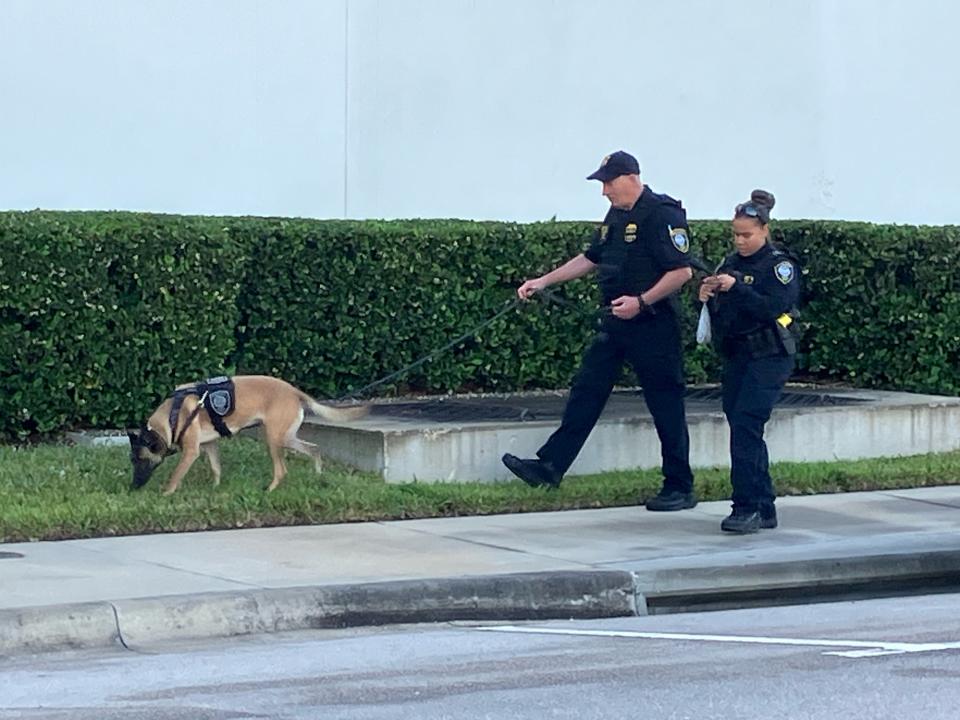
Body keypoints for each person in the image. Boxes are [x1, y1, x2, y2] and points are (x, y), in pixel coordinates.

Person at [502, 150, 697, 512]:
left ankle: (679, 486)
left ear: (631, 178)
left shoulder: (662, 214)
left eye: (608, 182)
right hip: (615, 322)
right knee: (586, 391)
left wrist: (641, 301)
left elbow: (681, 272)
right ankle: (549, 467)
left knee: (664, 403)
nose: (605, 191)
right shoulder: (617, 215)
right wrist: (543, 281)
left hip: (653, 324)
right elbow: (592, 257)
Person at [699, 189, 800, 533]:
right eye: (736, 234)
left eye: (747, 235)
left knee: (746, 425)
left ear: (765, 231)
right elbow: (724, 315)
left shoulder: (778, 265)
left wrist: (737, 287)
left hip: (769, 355)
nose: (740, 241)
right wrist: (709, 296)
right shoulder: (728, 264)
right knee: (744, 428)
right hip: (738, 356)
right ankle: (764, 504)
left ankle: (746, 506)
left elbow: (773, 307)